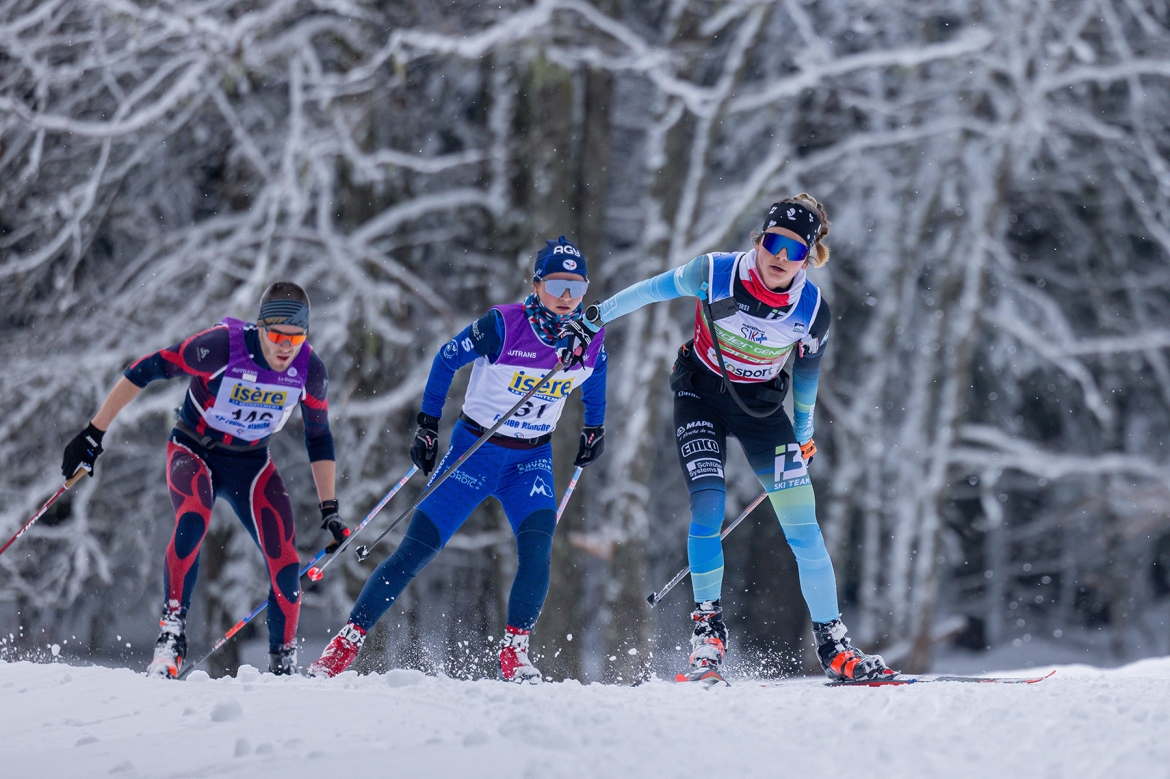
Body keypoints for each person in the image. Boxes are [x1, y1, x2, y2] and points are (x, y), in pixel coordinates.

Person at [559, 196, 894, 683]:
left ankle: (833, 644)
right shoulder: (714, 273)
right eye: (774, 243)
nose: (781, 257)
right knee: (708, 505)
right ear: (759, 241)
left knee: (804, 526)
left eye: (795, 250)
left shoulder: (811, 310)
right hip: (699, 397)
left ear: (807, 259)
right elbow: (649, 290)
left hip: (762, 411)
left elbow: (807, 375)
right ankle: (708, 637)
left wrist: (803, 433)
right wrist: (593, 318)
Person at [309, 236, 607, 684]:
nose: (567, 297)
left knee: (537, 551)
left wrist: (594, 426)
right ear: (536, 284)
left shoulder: (589, 336)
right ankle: (345, 643)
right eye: (557, 286)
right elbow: (446, 360)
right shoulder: (503, 325)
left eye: (577, 288)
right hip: (474, 454)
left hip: (531, 461)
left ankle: (515, 652)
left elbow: (597, 373)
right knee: (416, 550)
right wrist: (427, 426)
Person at [61, 282, 344, 678]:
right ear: (261, 328)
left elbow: (319, 437)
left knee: (286, 561)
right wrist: (94, 433)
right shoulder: (220, 348)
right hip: (195, 450)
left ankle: (283, 663)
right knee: (194, 518)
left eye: (296, 338)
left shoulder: (310, 371)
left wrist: (330, 509)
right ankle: (170, 637)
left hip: (251, 464)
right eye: (278, 336)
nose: (286, 348)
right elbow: (145, 369)